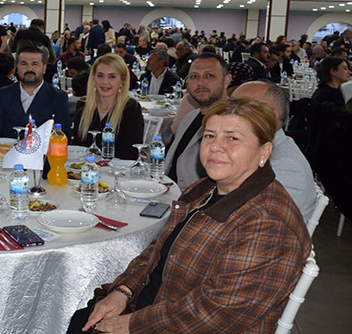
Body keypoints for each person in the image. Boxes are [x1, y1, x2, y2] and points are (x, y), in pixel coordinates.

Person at [67, 97, 311, 334]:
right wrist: (123, 291)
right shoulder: (205, 188)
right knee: (79, 319)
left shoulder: (268, 224)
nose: (215, 146)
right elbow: (157, 250)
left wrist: (132, 324)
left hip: (183, 325)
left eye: (233, 138)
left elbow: (220, 313)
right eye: (210, 136)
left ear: (264, 151)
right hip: (158, 306)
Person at [232, 81, 317, 221]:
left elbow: (262, 222)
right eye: (230, 105)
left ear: (271, 115)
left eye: (242, 107)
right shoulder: (259, 145)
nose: (229, 113)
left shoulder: (285, 165)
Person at [165, 53, 231, 189]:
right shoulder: (190, 117)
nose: (200, 83)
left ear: (226, 81)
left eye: (209, 76)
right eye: (194, 77)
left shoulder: (234, 124)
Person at [0, 46, 71, 138]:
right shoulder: (4, 94)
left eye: (35, 64)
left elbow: (63, 135)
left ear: (44, 68)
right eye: (24, 64)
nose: (29, 69)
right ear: (17, 68)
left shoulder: (58, 97)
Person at [72, 54, 144, 160]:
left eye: (112, 77)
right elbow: (77, 147)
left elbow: (131, 153)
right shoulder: (83, 104)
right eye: (100, 76)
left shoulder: (131, 108)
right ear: (93, 78)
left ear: (122, 80)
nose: (105, 82)